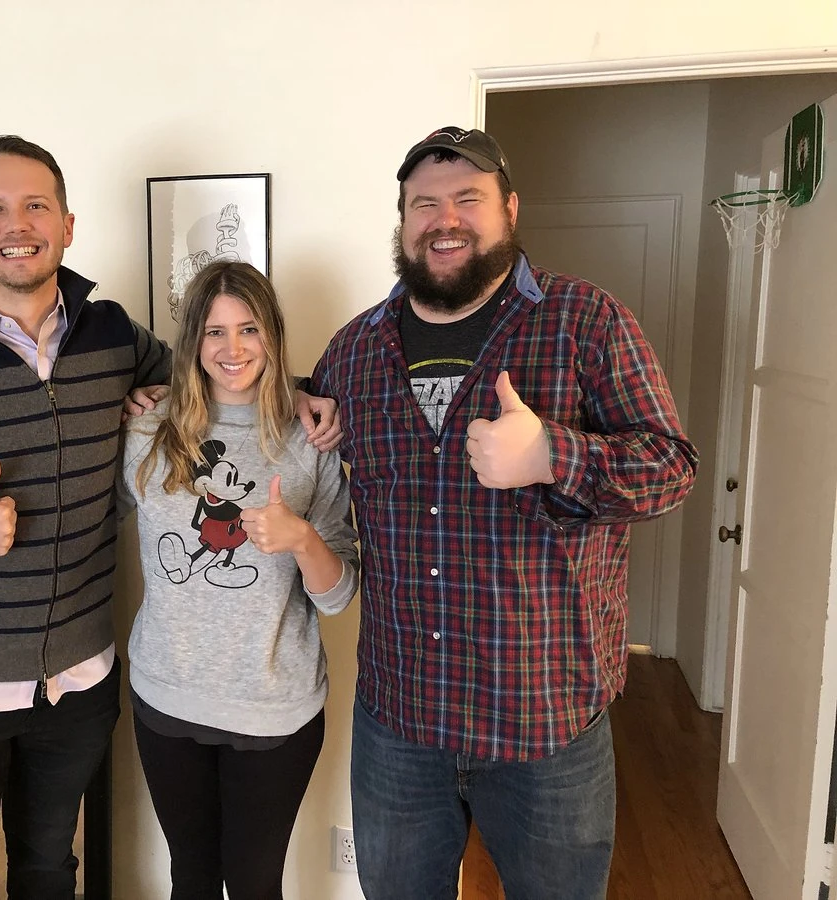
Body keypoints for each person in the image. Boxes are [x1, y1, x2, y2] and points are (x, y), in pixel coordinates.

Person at [0, 135, 339, 900]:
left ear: (67, 224)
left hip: (75, 686)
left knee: (49, 872)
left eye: (36, 205)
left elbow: (219, 371)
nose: (17, 224)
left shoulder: (111, 338)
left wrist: (304, 393)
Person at [309, 126, 699, 900]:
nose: (445, 220)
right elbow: (294, 414)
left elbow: (671, 467)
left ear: (509, 209)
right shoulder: (355, 349)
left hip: (543, 721)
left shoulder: (586, 321)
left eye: (468, 198)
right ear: (403, 220)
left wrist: (555, 455)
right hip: (399, 720)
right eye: (425, 204)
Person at [118, 260, 358, 900]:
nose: (233, 349)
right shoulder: (145, 430)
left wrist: (301, 538)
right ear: (192, 341)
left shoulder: (311, 437)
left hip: (274, 709)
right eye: (215, 331)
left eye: (249, 329)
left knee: (255, 885)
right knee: (190, 880)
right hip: (167, 699)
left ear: (272, 335)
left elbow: (338, 596)